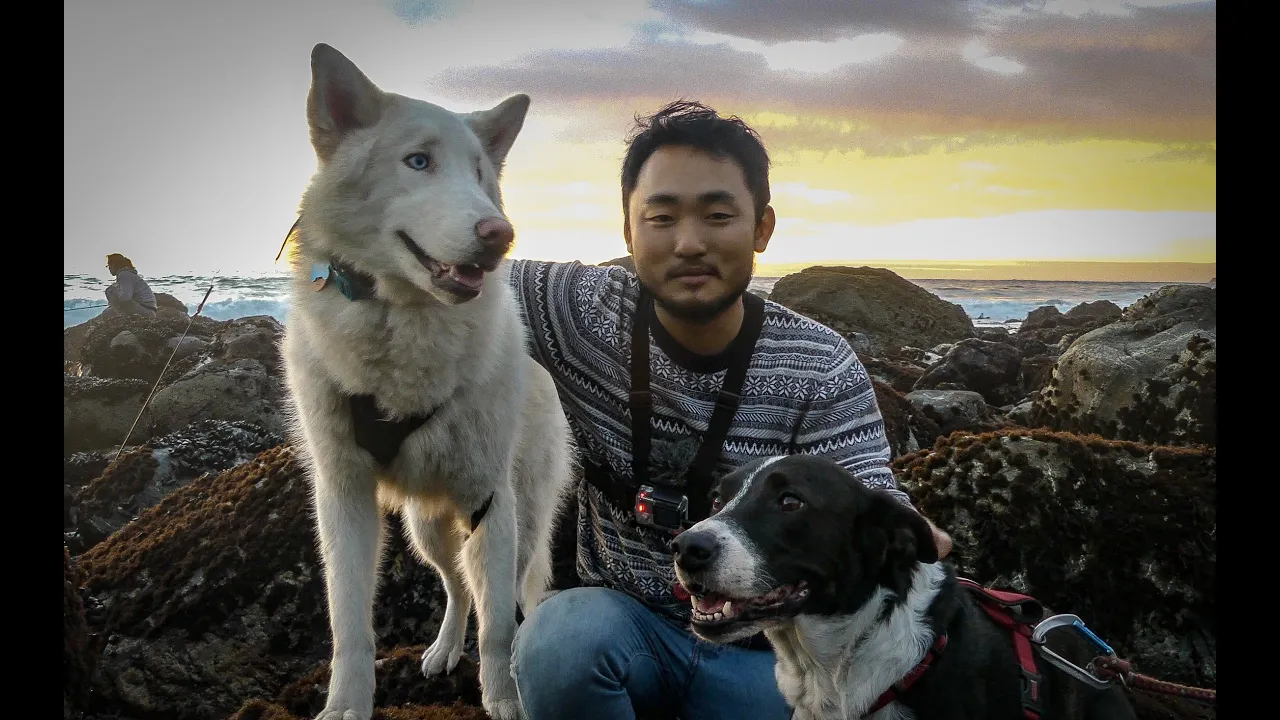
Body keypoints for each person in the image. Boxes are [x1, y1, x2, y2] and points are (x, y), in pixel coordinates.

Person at [504, 101, 951, 720]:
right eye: (660, 217)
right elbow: (434, 274)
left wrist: (911, 529)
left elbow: (862, 496)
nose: (689, 243)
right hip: (623, 629)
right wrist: (329, 268)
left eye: (718, 215)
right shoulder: (580, 313)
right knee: (557, 638)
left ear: (762, 228)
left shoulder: (818, 366)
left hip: (772, 661)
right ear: (629, 230)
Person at [102, 253, 158, 318]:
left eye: (109, 265)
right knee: (106, 313)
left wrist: (115, 302)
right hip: (148, 309)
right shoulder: (128, 274)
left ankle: (122, 316)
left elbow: (126, 298)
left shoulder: (124, 275)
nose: (108, 268)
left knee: (109, 290)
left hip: (146, 311)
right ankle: (121, 314)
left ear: (114, 265)